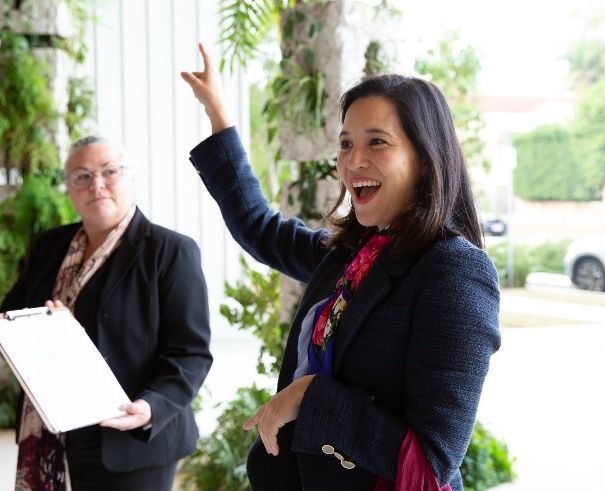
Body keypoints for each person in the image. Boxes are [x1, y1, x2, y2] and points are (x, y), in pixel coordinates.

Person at [182, 43, 500, 491]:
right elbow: (259, 228)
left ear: (427, 159)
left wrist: (311, 398)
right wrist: (219, 114)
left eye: (377, 142)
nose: (353, 161)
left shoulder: (455, 273)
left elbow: (427, 467)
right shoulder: (353, 255)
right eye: (346, 143)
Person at [0, 136, 213, 490]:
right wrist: (42, 327)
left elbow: (190, 353)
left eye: (109, 172)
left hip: (130, 436)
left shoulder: (170, 251)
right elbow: (11, 315)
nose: (96, 184)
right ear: (69, 188)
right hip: (52, 428)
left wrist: (151, 406)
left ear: (130, 178)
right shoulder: (50, 245)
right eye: (81, 176)